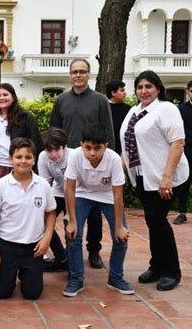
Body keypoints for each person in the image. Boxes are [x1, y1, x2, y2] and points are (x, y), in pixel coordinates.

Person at [120, 70, 189, 291]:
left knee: (157, 220)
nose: (144, 91)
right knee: (152, 220)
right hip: (143, 175)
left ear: (158, 88)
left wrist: (166, 178)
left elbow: (177, 143)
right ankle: (157, 265)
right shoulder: (134, 111)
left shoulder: (166, 109)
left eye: (148, 86)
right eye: (140, 87)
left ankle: (172, 271)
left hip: (165, 177)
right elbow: (126, 145)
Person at [49, 59, 113, 270]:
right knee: (71, 208)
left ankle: (93, 250)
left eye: (82, 72)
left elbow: (108, 133)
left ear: (89, 74)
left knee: (94, 210)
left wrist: (106, 159)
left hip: (95, 160)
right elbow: (54, 132)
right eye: (75, 72)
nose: (78, 75)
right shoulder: (61, 100)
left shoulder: (100, 100)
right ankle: (70, 250)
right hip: (69, 161)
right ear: (70, 75)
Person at [63, 124, 132, 297]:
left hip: (108, 195)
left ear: (105, 146)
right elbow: (69, 189)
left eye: (97, 148)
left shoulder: (114, 159)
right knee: (73, 234)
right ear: (81, 145)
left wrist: (118, 226)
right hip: (82, 193)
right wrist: (71, 220)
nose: (92, 153)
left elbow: (118, 196)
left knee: (121, 236)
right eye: (87, 148)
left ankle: (115, 277)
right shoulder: (75, 156)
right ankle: (76, 278)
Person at [0, 138, 56, 300]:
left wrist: (47, 238)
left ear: (34, 159)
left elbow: (50, 213)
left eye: (28, 157)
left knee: (32, 294)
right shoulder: (1, 185)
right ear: (10, 159)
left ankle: (26, 274)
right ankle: (11, 274)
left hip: (33, 248)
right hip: (7, 245)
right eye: (18, 157)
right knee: (2, 293)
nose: (23, 161)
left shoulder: (43, 185)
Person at [0, 83, 42, 186]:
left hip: (20, 166)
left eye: (5, 95)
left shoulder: (26, 117)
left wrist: (32, 165)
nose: (2, 98)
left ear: (13, 97)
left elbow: (36, 144)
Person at [37, 127, 71, 272]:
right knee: (43, 221)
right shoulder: (42, 157)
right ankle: (61, 258)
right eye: (49, 150)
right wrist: (43, 208)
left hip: (77, 192)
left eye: (57, 150)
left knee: (70, 225)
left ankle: (72, 261)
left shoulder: (73, 156)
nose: (53, 154)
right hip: (57, 190)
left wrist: (70, 214)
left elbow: (72, 187)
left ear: (65, 147)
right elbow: (45, 183)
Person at [174, 79, 192, 225]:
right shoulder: (181, 109)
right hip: (188, 151)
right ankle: (182, 213)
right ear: (187, 92)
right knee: (184, 183)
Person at [106, 80, 131, 155]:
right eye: (122, 90)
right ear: (113, 93)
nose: (125, 93)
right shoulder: (104, 108)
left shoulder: (128, 109)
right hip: (108, 149)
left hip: (124, 150)